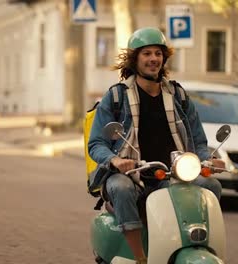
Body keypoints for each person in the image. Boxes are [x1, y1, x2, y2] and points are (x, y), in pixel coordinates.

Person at [87, 27, 225, 264]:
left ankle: (197, 243)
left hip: (171, 173)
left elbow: (198, 140)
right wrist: (116, 161)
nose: (153, 59)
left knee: (210, 185)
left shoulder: (177, 95)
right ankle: (140, 257)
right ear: (135, 59)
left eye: (158, 53)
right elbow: (97, 143)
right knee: (121, 188)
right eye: (147, 53)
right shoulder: (117, 96)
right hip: (130, 173)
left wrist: (208, 159)